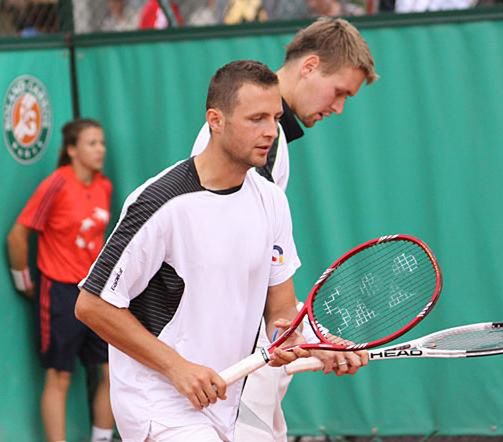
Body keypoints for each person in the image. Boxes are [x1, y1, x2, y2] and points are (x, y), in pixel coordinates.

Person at [74, 60, 310, 442]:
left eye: (275, 118)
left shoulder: (272, 201)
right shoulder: (160, 202)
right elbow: (92, 305)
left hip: (232, 400)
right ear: (215, 120)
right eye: (256, 119)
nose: (270, 132)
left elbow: (281, 312)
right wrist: (177, 368)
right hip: (160, 403)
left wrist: (307, 342)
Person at [191, 16, 378, 441]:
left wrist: (307, 335)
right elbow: (241, 262)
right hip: (233, 349)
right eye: (339, 92)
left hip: (242, 344)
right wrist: (310, 336)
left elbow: (258, 263)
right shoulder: (260, 146)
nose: (339, 108)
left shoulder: (262, 141)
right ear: (310, 66)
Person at [6, 118, 114, 442]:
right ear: (72, 149)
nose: (100, 149)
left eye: (102, 142)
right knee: (59, 376)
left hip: (94, 294)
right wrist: (24, 280)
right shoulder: (56, 183)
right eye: (92, 143)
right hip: (59, 293)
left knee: (112, 372)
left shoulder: (104, 186)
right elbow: (17, 235)